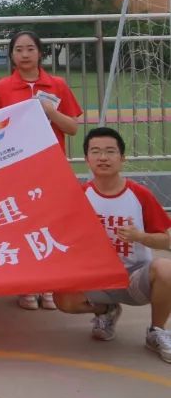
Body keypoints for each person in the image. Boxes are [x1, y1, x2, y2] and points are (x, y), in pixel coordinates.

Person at [53, 128, 171, 363]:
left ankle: (156, 331)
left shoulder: (139, 194)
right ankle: (106, 311)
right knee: (62, 297)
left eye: (110, 151)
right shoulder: (80, 196)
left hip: (134, 278)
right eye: (95, 152)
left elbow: (166, 239)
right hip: (96, 277)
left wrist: (140, 237)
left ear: (122, 157)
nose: (103, 158)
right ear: (87, 159)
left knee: (166, 269)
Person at [0, 30, 82, 312]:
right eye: (19, 49)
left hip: (51, 167)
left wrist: (50, 112)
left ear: (40, 53)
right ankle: (27, 285)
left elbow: (73, 128)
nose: (25, 54)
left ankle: (48, 285)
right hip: (16, 168)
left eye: (30, 48)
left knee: (49, 225)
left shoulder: (57, 85)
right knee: (22, 225)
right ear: (11, 55)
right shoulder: (3, 87)